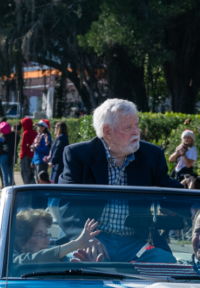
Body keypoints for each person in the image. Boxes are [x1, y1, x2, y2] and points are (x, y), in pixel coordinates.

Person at [59, 98, 182, 263]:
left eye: (137, 125)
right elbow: (66, 205)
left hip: (137, 243)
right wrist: (85, 238)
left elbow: (170, 191)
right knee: (78, 265)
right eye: (128, 127)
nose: (136, 132)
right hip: (93, 238)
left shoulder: (151, 155)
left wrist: (199, 207)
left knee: (167, 263)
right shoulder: (78, 155)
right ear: (107, 132)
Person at [11, 210, 100, 265]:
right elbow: (21, 263)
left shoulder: (65, 260)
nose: (48, 241)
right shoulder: (7, 261)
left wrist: (90, 271)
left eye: (47, 235)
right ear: (21, 240)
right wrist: (76, 243)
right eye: (40, 234)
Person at [0, 121, 16, 188]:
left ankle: (6, 188)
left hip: (3, 156)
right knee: (11, 174)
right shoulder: (12, 136)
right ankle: (11, 187)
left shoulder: (0, 137)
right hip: (11, 156)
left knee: (5, 174)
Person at [19, 116, 36, 185]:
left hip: (25, 156)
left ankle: (27, 190)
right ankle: (33, 188)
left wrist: (21, 156)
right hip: (33, 156)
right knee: (32, 175)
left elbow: (24, 146)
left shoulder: (25, 133)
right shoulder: (35, 132)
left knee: (25, 175)